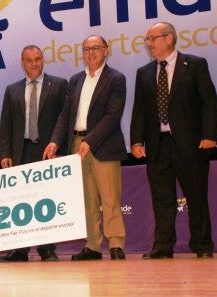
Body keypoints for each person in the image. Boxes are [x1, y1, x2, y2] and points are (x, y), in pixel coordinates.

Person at [130, 22, 217, 259]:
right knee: (162, 198)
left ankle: (202, 244)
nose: (148, 44)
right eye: (147, 40)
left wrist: (210, 135)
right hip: (158, 145)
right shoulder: (144, 73)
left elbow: (209, 102)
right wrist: (136, 141)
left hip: (190, 144)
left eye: (152, 39)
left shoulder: (195, 65)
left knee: (196, 195)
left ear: (168, 39)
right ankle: (163, 245)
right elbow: (139, 110)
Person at [43, 35, 127, 261]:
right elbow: (66, 115)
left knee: (110, 198)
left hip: (103, 145)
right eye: (87, 49)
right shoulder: (76, 80)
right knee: (87, 200)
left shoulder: (116, 79)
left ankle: (116, 244)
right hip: (76, 145)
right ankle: (92, 246)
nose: (91, 52)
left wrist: (90, 140)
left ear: (106, 51)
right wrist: (55, 140)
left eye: (96, 48)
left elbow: (112, 116)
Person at [0, 45, 68, 262]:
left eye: (38, 59)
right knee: (20, 201)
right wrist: (5, 152)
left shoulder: (58, 84)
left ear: (43, 60)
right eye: (29, 60)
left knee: (47, 200)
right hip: (21, 151)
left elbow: (64, 118)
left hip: (48, 150)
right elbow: (6, 124)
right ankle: (19, 249)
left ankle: (47, 248)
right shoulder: (12, 90)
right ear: (22, 63)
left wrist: (55, 142)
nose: (34, 63)